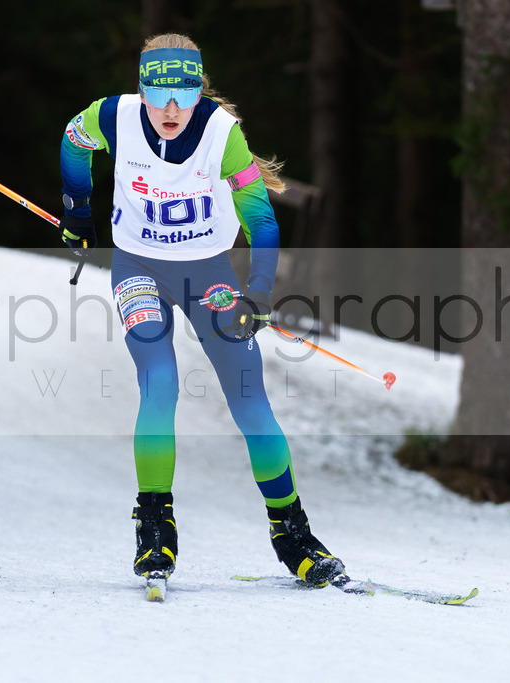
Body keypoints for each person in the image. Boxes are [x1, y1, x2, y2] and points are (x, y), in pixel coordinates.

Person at [58, 34, 346, 587]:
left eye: (184, 93)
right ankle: (155, 529)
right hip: (138, 269)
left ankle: (292, 532)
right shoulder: (113, 117)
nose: (170, 108)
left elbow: (261, 220)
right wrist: (77, 209)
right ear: (140, 88)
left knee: (248, 396)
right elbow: (73, 140)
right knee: (160, 383)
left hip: (208, 276)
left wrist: (257, 293)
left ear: (199, 89)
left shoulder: (222, 134)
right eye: (158, 92)